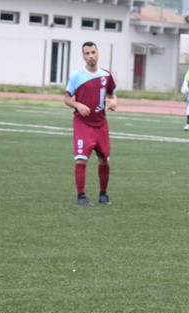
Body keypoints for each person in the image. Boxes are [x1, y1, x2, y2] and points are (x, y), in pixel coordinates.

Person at [64, 41, 117, 206]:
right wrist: (78, 105)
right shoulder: (76, 76)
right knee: (81, 159)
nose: (91, 56)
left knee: (104, 159)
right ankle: (81, 197)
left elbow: (112, 94)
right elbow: (66, 98)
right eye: (87, 53)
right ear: (83, 56)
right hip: (83, 123)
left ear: (98, 53)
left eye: (93, 52)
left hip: (101, 123)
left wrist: (114, 101)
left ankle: (103, 194)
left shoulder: (106, 75)